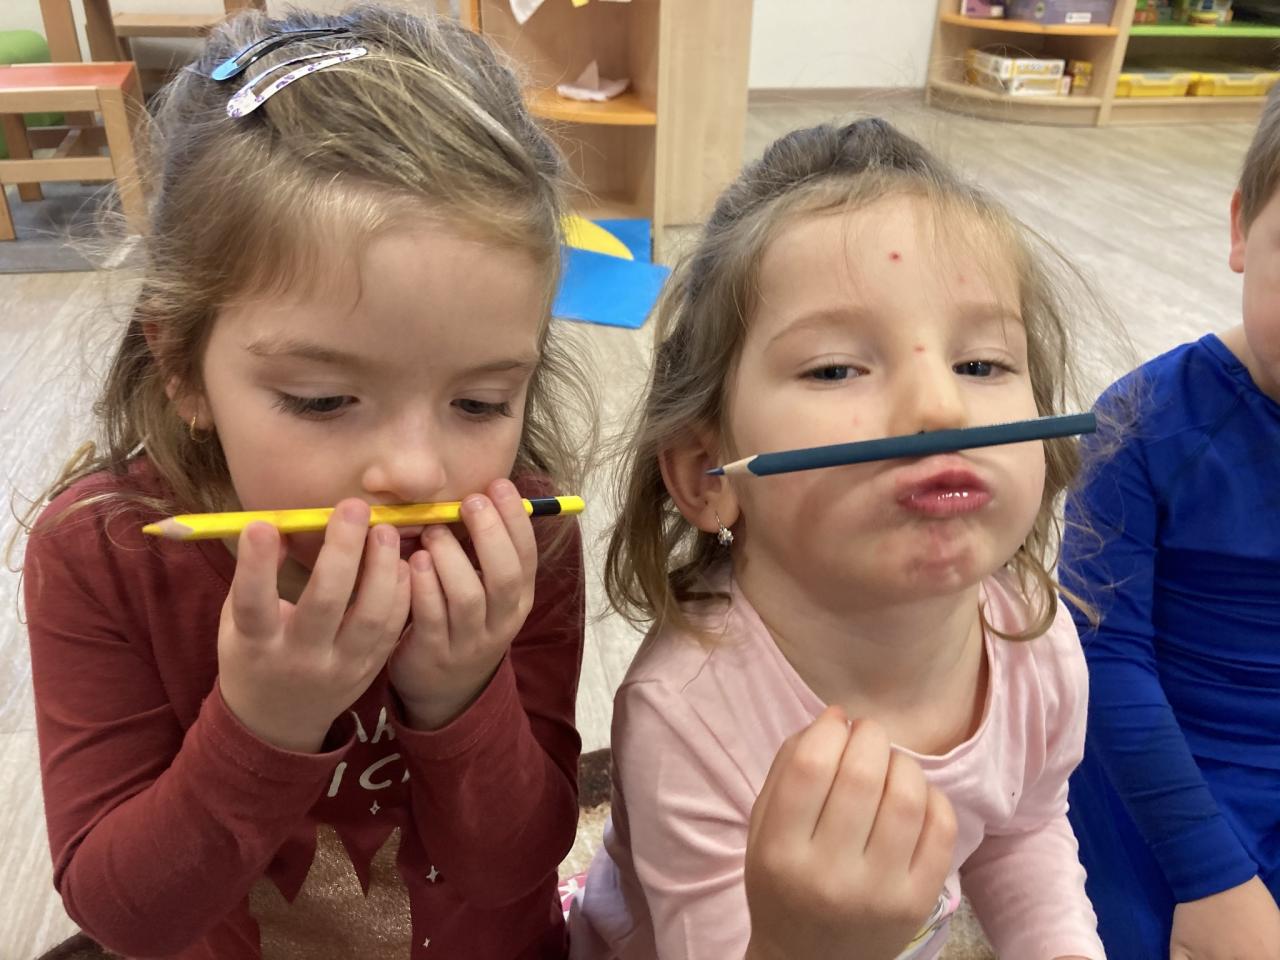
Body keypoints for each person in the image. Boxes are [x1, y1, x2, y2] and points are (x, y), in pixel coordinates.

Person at [20, 6, 591, 958]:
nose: (417, 471)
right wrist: (264, 725)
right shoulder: (105, 553)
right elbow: (127, 918)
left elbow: (515, 865)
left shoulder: (516, 537)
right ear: (182, 367)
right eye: (323, 400)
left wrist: (461, 696)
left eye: (481, 402)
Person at [571, 118, 1105, 960]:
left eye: (982, 365)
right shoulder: (689, 709)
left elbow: (1023, 829)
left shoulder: (1031, 633)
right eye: (835, 369)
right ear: (710, 474)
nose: (941, 409)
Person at [1062, 84, 1280, 960]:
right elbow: (1105, 657)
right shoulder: (1141, 420)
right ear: (1241, 228)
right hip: (1156, 764)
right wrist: (1210, 876)